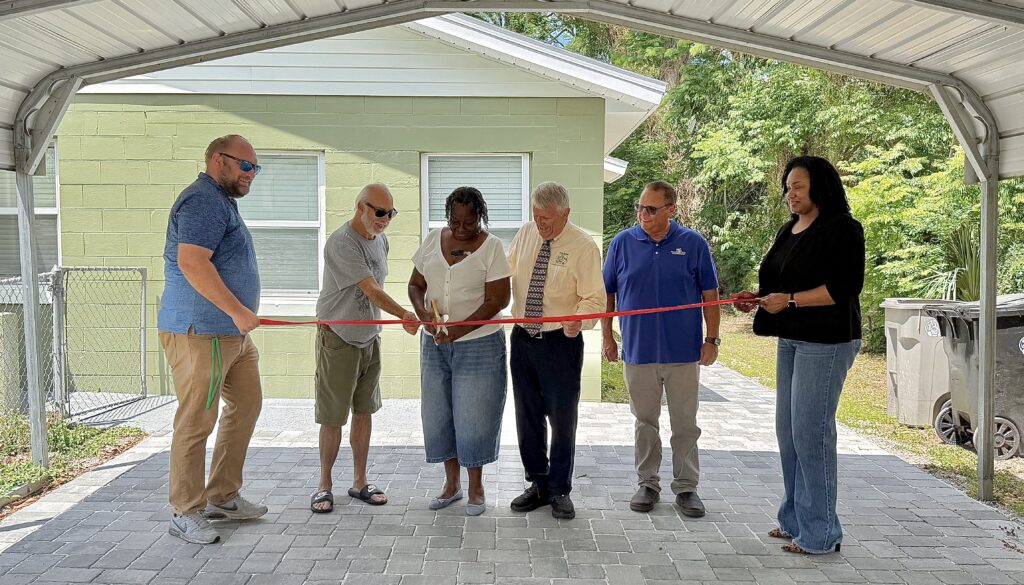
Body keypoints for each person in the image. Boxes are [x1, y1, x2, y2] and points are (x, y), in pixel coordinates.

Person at [732, 156, 864, 555]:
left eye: (798, 187)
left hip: (826, 342)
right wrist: (755, 299)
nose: (790, 193)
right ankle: (793, 520)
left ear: (820, 187)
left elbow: (844, 289)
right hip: (790, 338)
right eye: (788, 186)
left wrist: (788, 300)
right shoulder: (789, 229)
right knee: (788, 433)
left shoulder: (843, 229)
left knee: (811, 434)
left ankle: (822, 533)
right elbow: (777, 282)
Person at [158, 134, 267, 544]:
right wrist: (238, 311)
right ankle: (185, 511)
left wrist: (237, 318)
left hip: (230, 336)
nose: (252, 174)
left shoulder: (221, 203)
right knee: (196, 418)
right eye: (246, 166)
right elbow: (192, 261)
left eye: (256, 168)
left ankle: (222, 495)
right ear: (218, 161)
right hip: (201, 333)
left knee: (246, 404)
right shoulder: (202, 200)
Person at [602, 180, 720, 518]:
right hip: (638, 351)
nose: (642, 214)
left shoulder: (693, 243)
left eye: (651, 209)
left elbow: (710, 296)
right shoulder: (623, 243)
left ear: (671, 209)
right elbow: (609, 292)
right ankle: (647, 483)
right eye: (639, 207)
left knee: (684, 423)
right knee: (644, 421)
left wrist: (711, 339)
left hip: (683, 352)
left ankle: (686, 487)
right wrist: (608, 338)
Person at [310, 183, 419, 514]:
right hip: (339, 337)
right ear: (361, 207)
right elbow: (370, 288)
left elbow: (377, 287)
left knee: (364, 411)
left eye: (390, 214)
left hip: (369, 338)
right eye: (379, 212)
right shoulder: (342, 243)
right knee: (332, 416)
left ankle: (359, 482)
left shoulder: (380, 240)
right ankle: (323, 486)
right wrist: (403, 314)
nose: (385, 219)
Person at [408, 186, 511, 516]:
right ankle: (451, 485)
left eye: (469, 222)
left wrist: (459, 329)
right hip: (436, 343)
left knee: (475, 415)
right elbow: (416, 285)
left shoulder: (492, 247)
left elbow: (498, 300)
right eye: (455, 222)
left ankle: (476, 488)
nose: (462, 229)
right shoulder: (432, 240)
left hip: (479, 344)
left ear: (480, 217)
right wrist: (424, 316)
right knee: (439, 412)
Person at [506, 182, 605, 520]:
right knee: (527, 416)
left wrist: (578, 319)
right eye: (536, 217)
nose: (541, 224)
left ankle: (560, 489)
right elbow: (506, 273)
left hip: (560, 343)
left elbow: (594, 298)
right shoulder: (524, 235)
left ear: (566, 214)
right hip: (522, 339)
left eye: (547, 219)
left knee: (562, 420)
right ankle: (538, 483)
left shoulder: (583, 246)